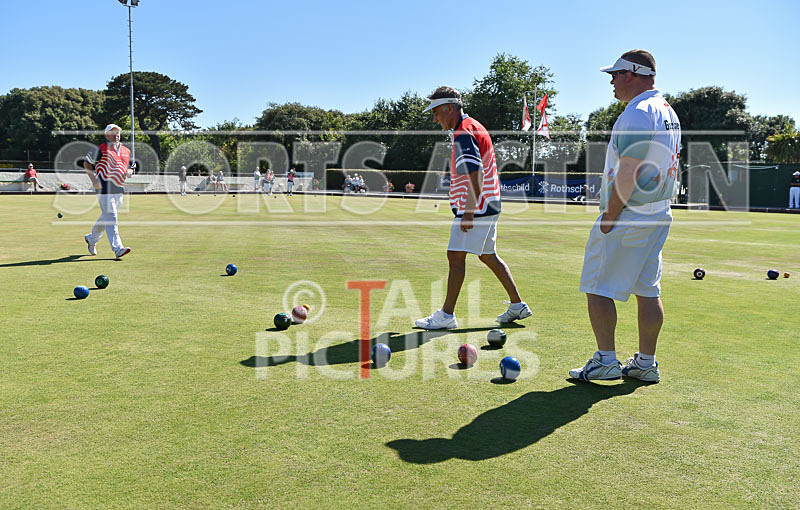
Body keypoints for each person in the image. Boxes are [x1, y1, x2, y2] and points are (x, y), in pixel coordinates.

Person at [570, 50, 681, 384]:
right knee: (647, 289)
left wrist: (610, 214)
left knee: (597, 286)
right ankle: (646, 363)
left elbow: (629, 169)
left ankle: (605, 361)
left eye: (614, 75)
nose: (612, 83)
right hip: (659, 212)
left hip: (630, 214)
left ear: (632, 73)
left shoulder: (638, 112)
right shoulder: (667, 111)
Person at [414, 86, 531, 330]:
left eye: (436, 112)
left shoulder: (464, 132)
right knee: (488, 255)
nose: (434, 118)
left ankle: (446, 315)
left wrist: (467, 211)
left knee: (455, 257)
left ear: (449, 108)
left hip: (477, 208)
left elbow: (474, 173)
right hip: (488, 204)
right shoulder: (470, 126)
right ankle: (517, 305)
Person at [83, 124, 134, 259]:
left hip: (119, 189)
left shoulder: (126, 151)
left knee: (107, 217)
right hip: (104, 188)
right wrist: (94, 180)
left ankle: (91, 239)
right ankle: (118, 249)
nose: (116, 134)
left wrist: (129, 171)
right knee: (112, 218)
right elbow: (87, 164)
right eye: (112, 132)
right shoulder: (100, 149)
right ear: (106, 135)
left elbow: (131, 166)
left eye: (117, 132)